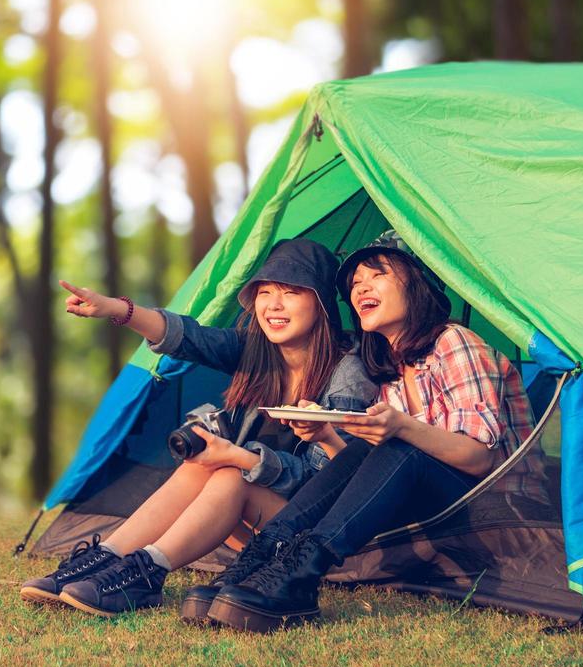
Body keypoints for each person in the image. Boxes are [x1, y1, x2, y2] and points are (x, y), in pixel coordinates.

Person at [19, 238, 378, 618]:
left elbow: (328, 479)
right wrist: (114, 309)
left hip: (313, 537)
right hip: (260, 529)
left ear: (320, 303)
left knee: (230, 474)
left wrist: (238, 456)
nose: (273, 305)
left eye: (290, 292)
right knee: (203, 465)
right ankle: (107, 557)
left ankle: (147, 573)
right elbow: (186, 337)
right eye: (265, 291)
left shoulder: (348, 371)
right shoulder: (257, 352)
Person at [205, 232, 539, 633]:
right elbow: (366, 468)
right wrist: (327, 432)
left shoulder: (455, 342)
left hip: (502, 516)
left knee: (399, 443)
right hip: (435, 512)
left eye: (376, 275)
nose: (359, 287)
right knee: (370, 446)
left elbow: (480, 459)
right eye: (354, 284)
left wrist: (401, 427)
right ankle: (264, 555)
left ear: (417, 283)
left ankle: (302, 573)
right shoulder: (391, 368)